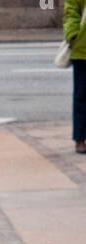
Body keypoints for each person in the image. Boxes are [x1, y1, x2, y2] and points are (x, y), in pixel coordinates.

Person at [64, 0, 86, 154]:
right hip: (83, 49)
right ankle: (80, 138)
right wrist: (73, 36)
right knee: (81, 97)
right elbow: (71, 12)